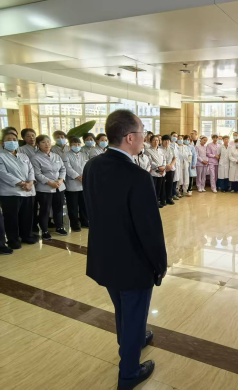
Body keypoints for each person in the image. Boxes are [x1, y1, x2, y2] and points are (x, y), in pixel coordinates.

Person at [83, 109, 167, 390]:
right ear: (130, 137)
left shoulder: (92, 166)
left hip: (105, 256)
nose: (145, 137)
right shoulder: (137, 176)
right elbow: (149, 229)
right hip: (133, 262)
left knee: (123, 309)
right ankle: (129, 374)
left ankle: (134, 339)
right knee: (133, 314)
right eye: (143, 132)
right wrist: (160, 264)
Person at [0, 131, 37, 249]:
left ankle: (27, 236)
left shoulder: (23, 156)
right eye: (9, 140)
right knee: (12, 217)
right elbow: (3, 173)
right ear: (3, 143)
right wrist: (22, 183)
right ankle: (13, 239)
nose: (12, 142)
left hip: (28, 190)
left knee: (27, 216)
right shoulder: (1, 155)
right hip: (11, 192)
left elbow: (31, 170)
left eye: (14, 140)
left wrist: (30, 182)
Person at [31, 134, 67, 240]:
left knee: (58, 207)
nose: (47, 144)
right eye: (43, 142)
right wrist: (50, 183)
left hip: (59, 186)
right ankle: (45, 230)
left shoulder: (56, 156)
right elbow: (37, 174)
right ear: (38, 145)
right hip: (45, 188)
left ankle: (59, 227)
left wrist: (60, 180)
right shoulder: (35, 158)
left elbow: (63, 169)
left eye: (48, 142)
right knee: (45, 209)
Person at [62, 137, 89, 232]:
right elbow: (68, 168)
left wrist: (85, 176)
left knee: (84, 205)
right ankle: (74, 224)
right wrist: (78, 177)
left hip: (83, 183)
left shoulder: (84, 155)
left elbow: (87, 166)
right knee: (73, 206)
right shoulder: (65, 155)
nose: (76, 146)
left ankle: (85, 222)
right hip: (72, 184)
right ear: (70, 146)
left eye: (78, 144)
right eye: (74, 144)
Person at [145, 135, 166, 207]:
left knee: (158, 189)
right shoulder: (147, 150)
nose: (156, 141)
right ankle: (152, 203)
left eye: (157, 140)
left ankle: (157, 202)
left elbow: (164, 160)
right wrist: (158, 167)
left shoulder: (161, 150)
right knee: (153, 189)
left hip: (161, 172)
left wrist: (163, 167)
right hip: (154, 172)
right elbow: (150, 161)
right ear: (150, 141)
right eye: (154, 140)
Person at [169, 132, 181, 200]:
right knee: (171, 180)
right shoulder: (169, 145)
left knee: (176, 179)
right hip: (171, 164)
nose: (175, 137)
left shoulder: (176, 145)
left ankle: (174, 193)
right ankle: (170, 194)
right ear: (171, 136)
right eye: (174, 136)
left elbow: (178, 156)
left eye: (176, 136)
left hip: (177, 164)